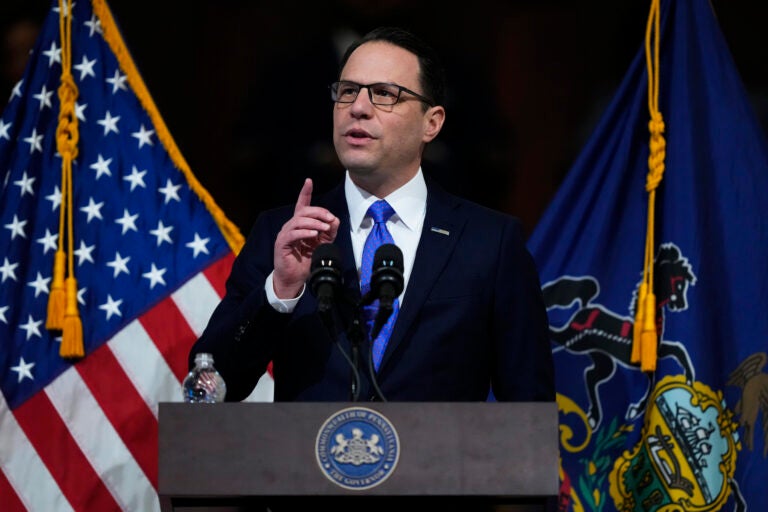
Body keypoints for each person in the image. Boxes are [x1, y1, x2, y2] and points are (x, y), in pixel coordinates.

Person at [190, 26, 554, 405]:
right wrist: (279, 291)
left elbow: (529, 412)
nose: (358, 108)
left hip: (441, 464)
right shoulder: (283, 232)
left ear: (432, 123)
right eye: (347, 91)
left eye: (384, 94)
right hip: (304, 464)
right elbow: (210, 387)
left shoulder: (490, 242)